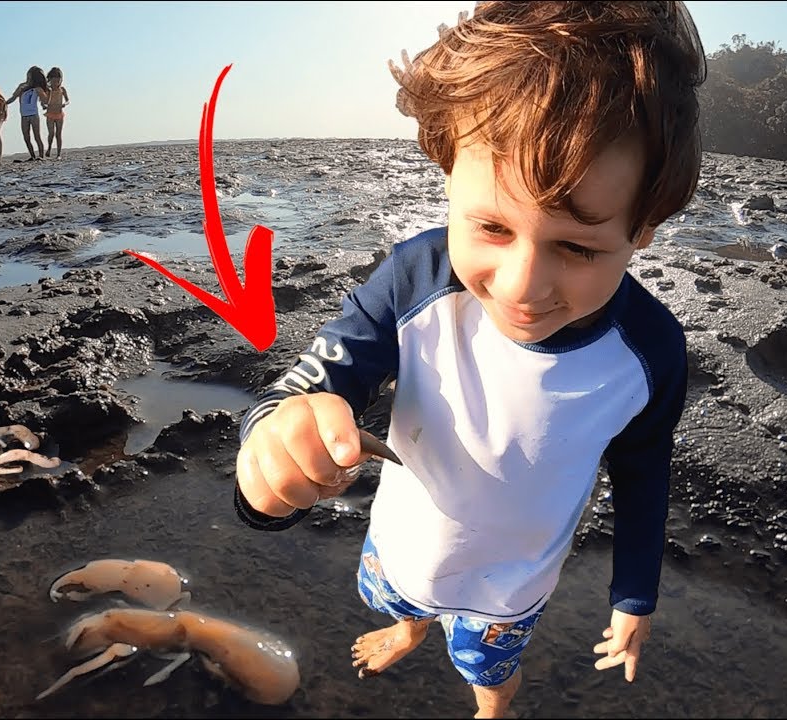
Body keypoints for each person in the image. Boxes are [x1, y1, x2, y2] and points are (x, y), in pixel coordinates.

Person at [232, 2, 704, 717]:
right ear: (447, 173)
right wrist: (274, 437)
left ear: (644, 227)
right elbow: (319, 378)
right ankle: (409, 626)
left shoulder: (650, 353)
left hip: (507, 587)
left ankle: (493, 706)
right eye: (489, 226)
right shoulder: (413, 279)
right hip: (400, 544)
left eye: (577, 247)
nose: (521, 285)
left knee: (486, 670)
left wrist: (634, 595)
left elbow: (644, 477)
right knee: (397, 599)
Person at [5, 65, 48, 160]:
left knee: (37, 136)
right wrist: (5, 103)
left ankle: (41, 156)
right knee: (26, 137)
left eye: (30, 76)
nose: (28, 77)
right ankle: (32, 156)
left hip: (34, 115)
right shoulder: (22, 86)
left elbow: (45, 100)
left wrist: (44, 95)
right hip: (24, 115)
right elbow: (13, 97)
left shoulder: (37, 88)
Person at [42, 66, 70, 158]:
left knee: (58, 134)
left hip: (59, 114)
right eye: (54, 81)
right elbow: (43, 100)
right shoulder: (48, 90)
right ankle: (49, 148)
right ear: (50, 80)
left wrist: (64, 104)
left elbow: (67, 100)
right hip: (50, 114)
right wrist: (43, 105)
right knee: (51, 133)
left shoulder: (62, 89)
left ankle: (58, 154)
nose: (55, 83)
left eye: (57, 80)